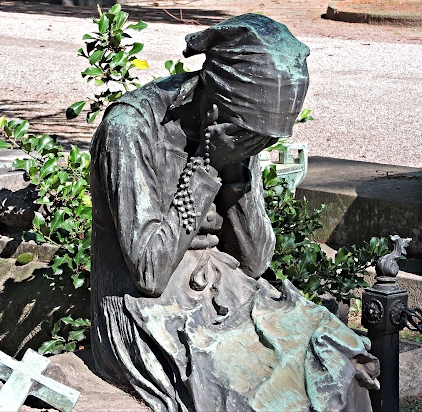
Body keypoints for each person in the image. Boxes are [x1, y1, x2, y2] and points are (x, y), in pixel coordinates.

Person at [89, 13, 379, 412]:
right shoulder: (130, 128)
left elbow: (255, 261)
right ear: (214, 105)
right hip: (148, 305)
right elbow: (150, 273)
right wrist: (208, 167)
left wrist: (237, 170)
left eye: (262, 140)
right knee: (271, 398)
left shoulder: (236, 129)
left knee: (338, 362)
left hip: (223, 284)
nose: (255, 144)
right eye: (250, 136)